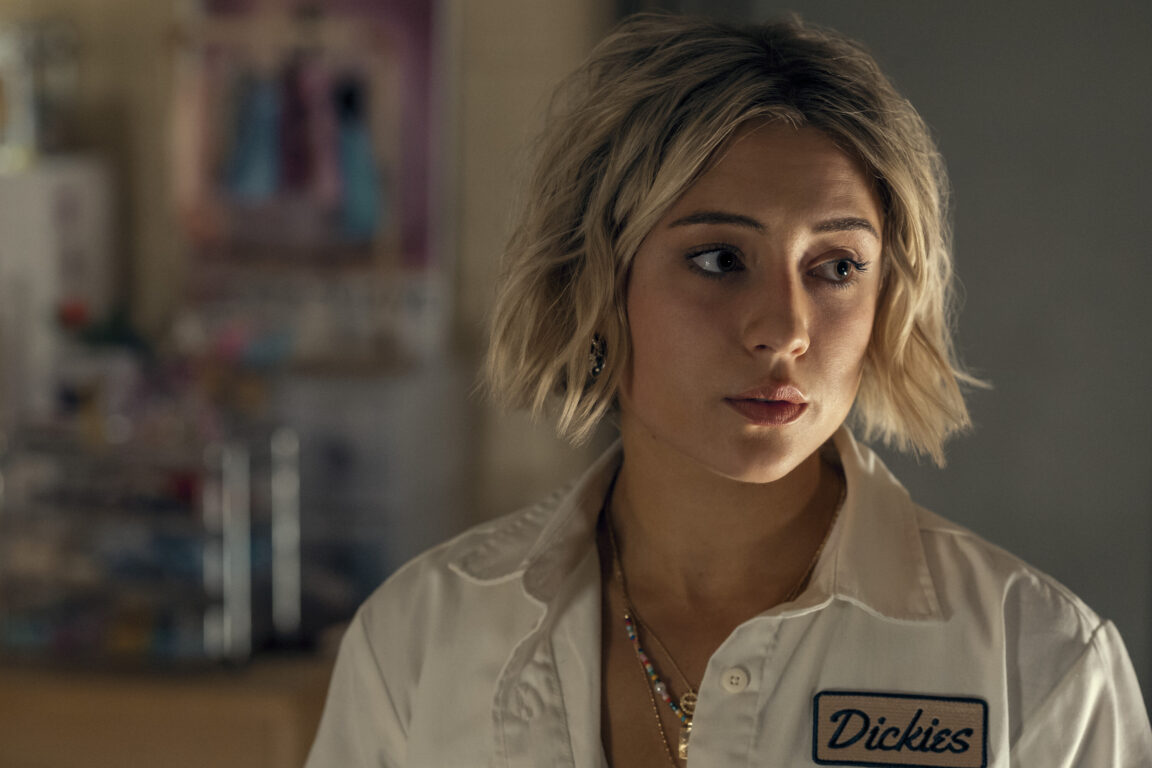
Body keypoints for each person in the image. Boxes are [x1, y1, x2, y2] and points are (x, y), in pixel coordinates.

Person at [305, 13, 1152, 767]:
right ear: (599, 285)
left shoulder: (1037, 659)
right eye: (719, 259)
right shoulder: (423, 638)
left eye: (837, 267)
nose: (783, 329)